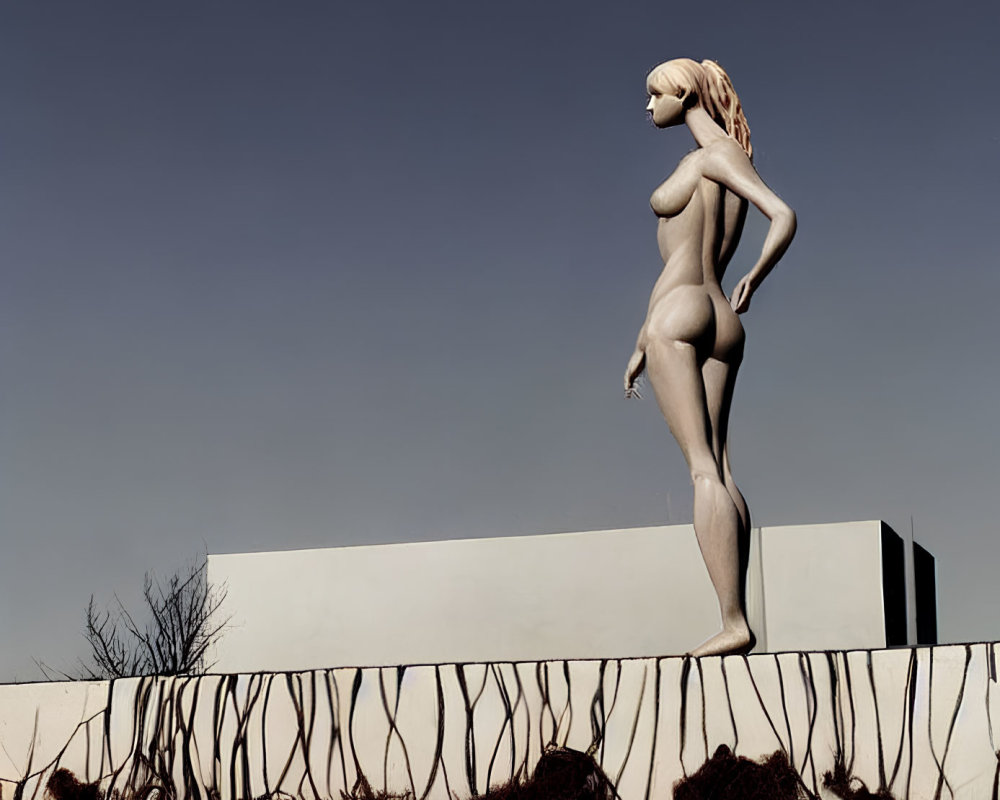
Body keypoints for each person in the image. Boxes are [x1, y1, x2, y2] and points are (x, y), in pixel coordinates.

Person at [624, 58, 796, 657]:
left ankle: (733, 620)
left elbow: (784, 215)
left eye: (653, 96)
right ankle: (735, 615)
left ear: (682, 93)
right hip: (718, 316)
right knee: (720, 466)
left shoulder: (712, 156)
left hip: (685, 313)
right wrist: (643, 342)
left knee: (702, 469)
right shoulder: (719, 157)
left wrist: (757, 274)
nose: (648, 108)